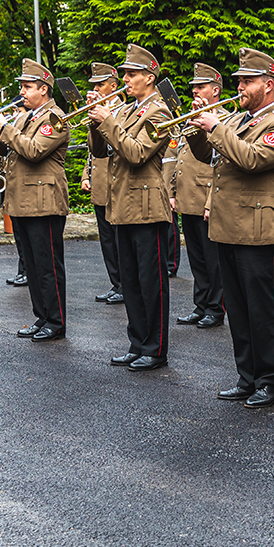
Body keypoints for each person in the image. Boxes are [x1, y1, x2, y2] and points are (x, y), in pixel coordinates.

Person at [188, 46, 274, 407]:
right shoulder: (236, 121)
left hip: (259, 229)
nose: (240, 87)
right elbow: (207, 156)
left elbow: (251, 159)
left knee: (262, 310)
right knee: (237, 309)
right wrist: (196, 129)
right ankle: (246, 376)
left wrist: (215, 127)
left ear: (268, 84)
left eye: (248, 81)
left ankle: (270, 380)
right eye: (239, 80)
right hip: (228, 226)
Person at [89, 44, 173, 371]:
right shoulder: (125, 110)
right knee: (132, 281)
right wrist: (95, 122)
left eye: (132, 74)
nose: (125, 79)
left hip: (147, 207)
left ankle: (155, 348)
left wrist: (108, 121)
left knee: (151, 282)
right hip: (122, 205)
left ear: (150, 77)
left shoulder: (160, 112)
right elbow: (101, 151)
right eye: (125, 73)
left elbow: (137, 153)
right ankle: (137, 342)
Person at [0, 59, 70, 341]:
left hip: (44, 202)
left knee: (48, 266)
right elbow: (8, 149)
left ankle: (56, 321)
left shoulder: (55, 118)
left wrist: (6, 128)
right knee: (32, 266)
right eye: (22, 86)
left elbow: (34, 151)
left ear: (43, 89)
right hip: (23, 200)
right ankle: (42, 315)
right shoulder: (26, 117)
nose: (22, 92)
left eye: (27, 87)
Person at [171, 63, 226, 329]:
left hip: (207, 198)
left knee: (213, 261)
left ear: (215, 90)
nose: (195, 90)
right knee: (197, 259)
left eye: (201, 86)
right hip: (188, 197)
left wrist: (210, 203)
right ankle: (201, 304)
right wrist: (173, 191)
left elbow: (221, 166)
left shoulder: (223, 120)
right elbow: (179, 158)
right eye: (194, 87)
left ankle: (215, 308)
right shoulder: (192, 117)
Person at [82, 62, 125, 304]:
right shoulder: (96, 110)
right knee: (107, 239)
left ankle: (125, 285)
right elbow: (93, 149)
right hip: (100, 181)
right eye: (94, 84)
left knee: (119, 239)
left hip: (116, 182)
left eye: (100, 84)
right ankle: (116, 282)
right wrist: (85, 175)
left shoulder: (123, 111)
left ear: (113, 86)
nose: (96, 89)